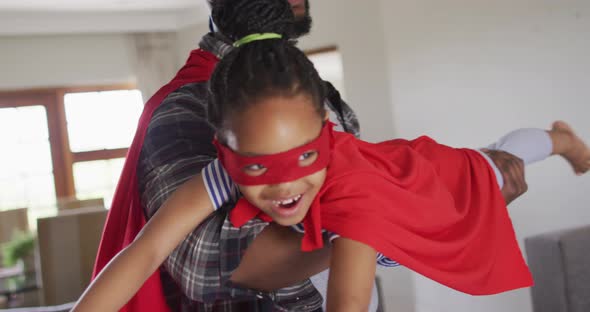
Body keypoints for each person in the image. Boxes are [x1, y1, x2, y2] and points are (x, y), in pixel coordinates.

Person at [75, 0, 589, 311]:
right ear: (225, 150)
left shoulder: (352, 194)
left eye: (304, 158)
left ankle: (563, 140)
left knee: (498, 162)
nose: (284, 188)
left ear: (328, 130)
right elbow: (146, 251)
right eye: (257, 167)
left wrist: (376, 237)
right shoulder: (222, 156)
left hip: (430, 176)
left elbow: (349, 301)